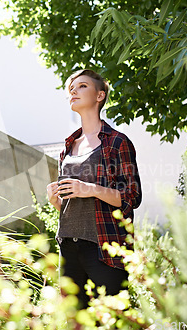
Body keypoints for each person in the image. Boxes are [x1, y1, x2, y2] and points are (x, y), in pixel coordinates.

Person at [46, 69, 142, 309]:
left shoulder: (117, 142)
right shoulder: (67, 147)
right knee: (74, 322)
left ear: (99, 96)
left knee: (112, 320)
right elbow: (70, 203)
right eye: (71, 88)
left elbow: (132, 197)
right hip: (68, 245)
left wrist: (89, 188)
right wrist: (55, 201)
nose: (73, 91)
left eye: (82, 86)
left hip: (104, 247)